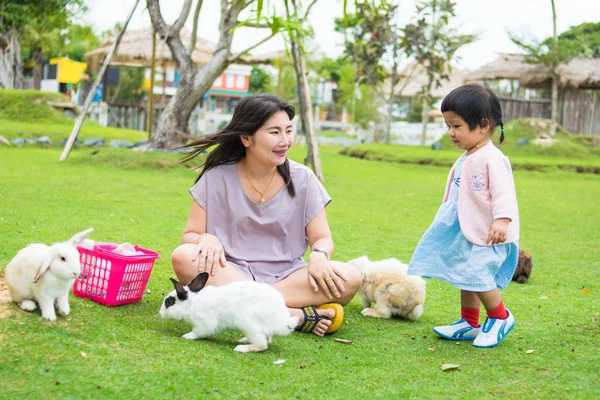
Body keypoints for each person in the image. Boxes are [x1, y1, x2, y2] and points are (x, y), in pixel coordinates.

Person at [171, 94, 361, 337]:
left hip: (287, 276)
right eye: (274, 132)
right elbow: (191, 235)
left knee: (351, 277)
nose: (285, 141)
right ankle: (294, 315)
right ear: (247, 138)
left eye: (288, 131)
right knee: (183, 256)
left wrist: (320, 256)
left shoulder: (303, 178)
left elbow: (322, 238)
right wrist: (204, 239)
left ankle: (253, 309)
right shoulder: (217, 176)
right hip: (229, 271)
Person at [408, 84, 520, 348]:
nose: (451, 133)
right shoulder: (468, 156)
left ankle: (500, 316)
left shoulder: (492, 158)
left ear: (482, 125)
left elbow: (504, 192)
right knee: (465, 275)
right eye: (448, 126)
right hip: (467, 229)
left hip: (487, 234)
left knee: (477, 275)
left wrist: (502, 220)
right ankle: (469, 321)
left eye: (456, 126)